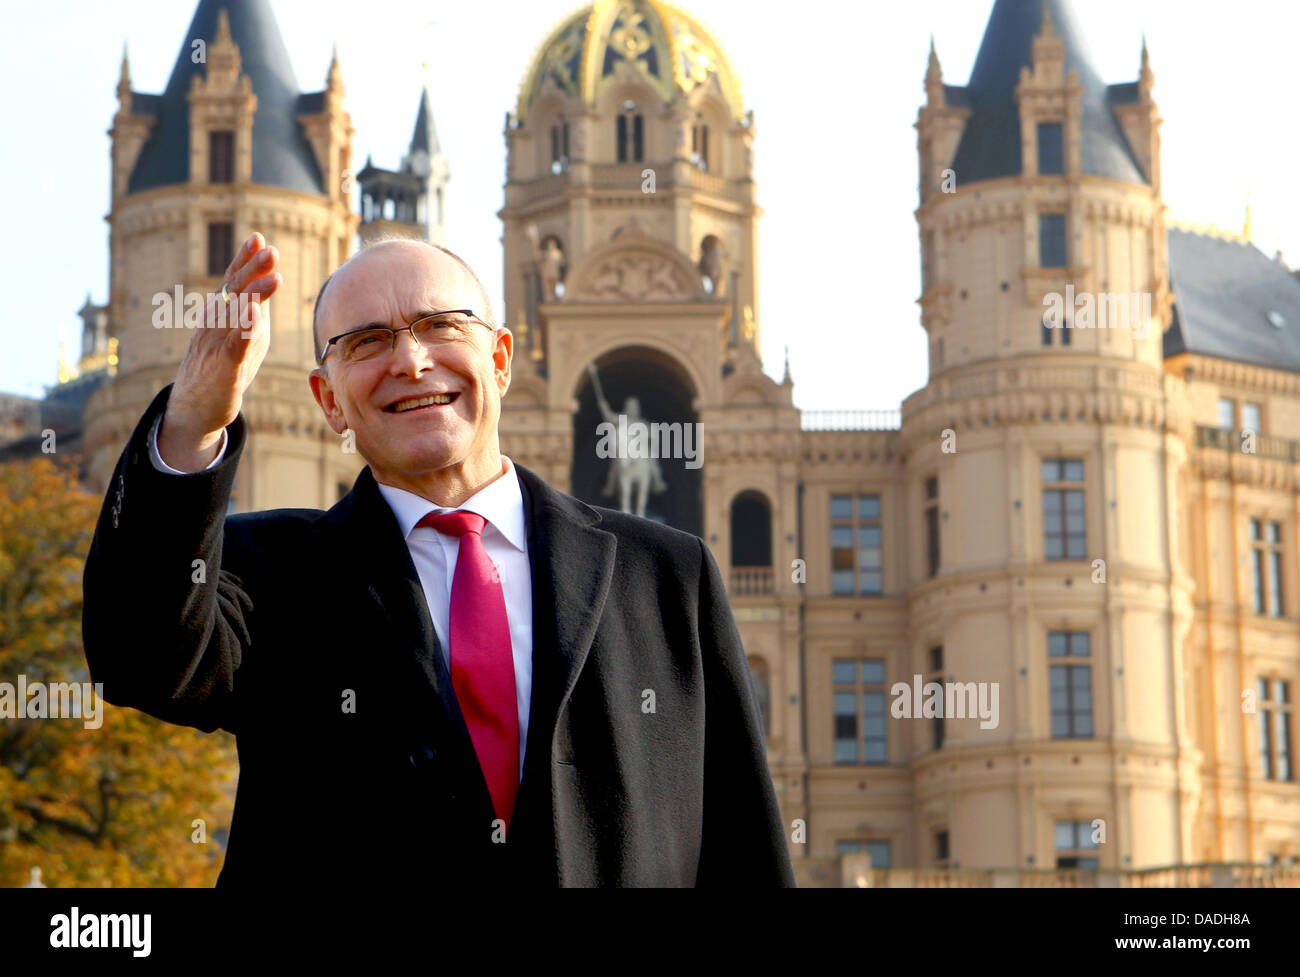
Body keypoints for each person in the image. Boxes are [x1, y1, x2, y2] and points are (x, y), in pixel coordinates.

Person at [82, 232, 795, 888]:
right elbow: (137, 655)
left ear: (502, 358)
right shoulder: (272, 575)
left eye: (441, 325)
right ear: (330, 402)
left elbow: (745, 851)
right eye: (366, 341)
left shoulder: (668, 577)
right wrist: (193, 419)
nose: (410, 359)